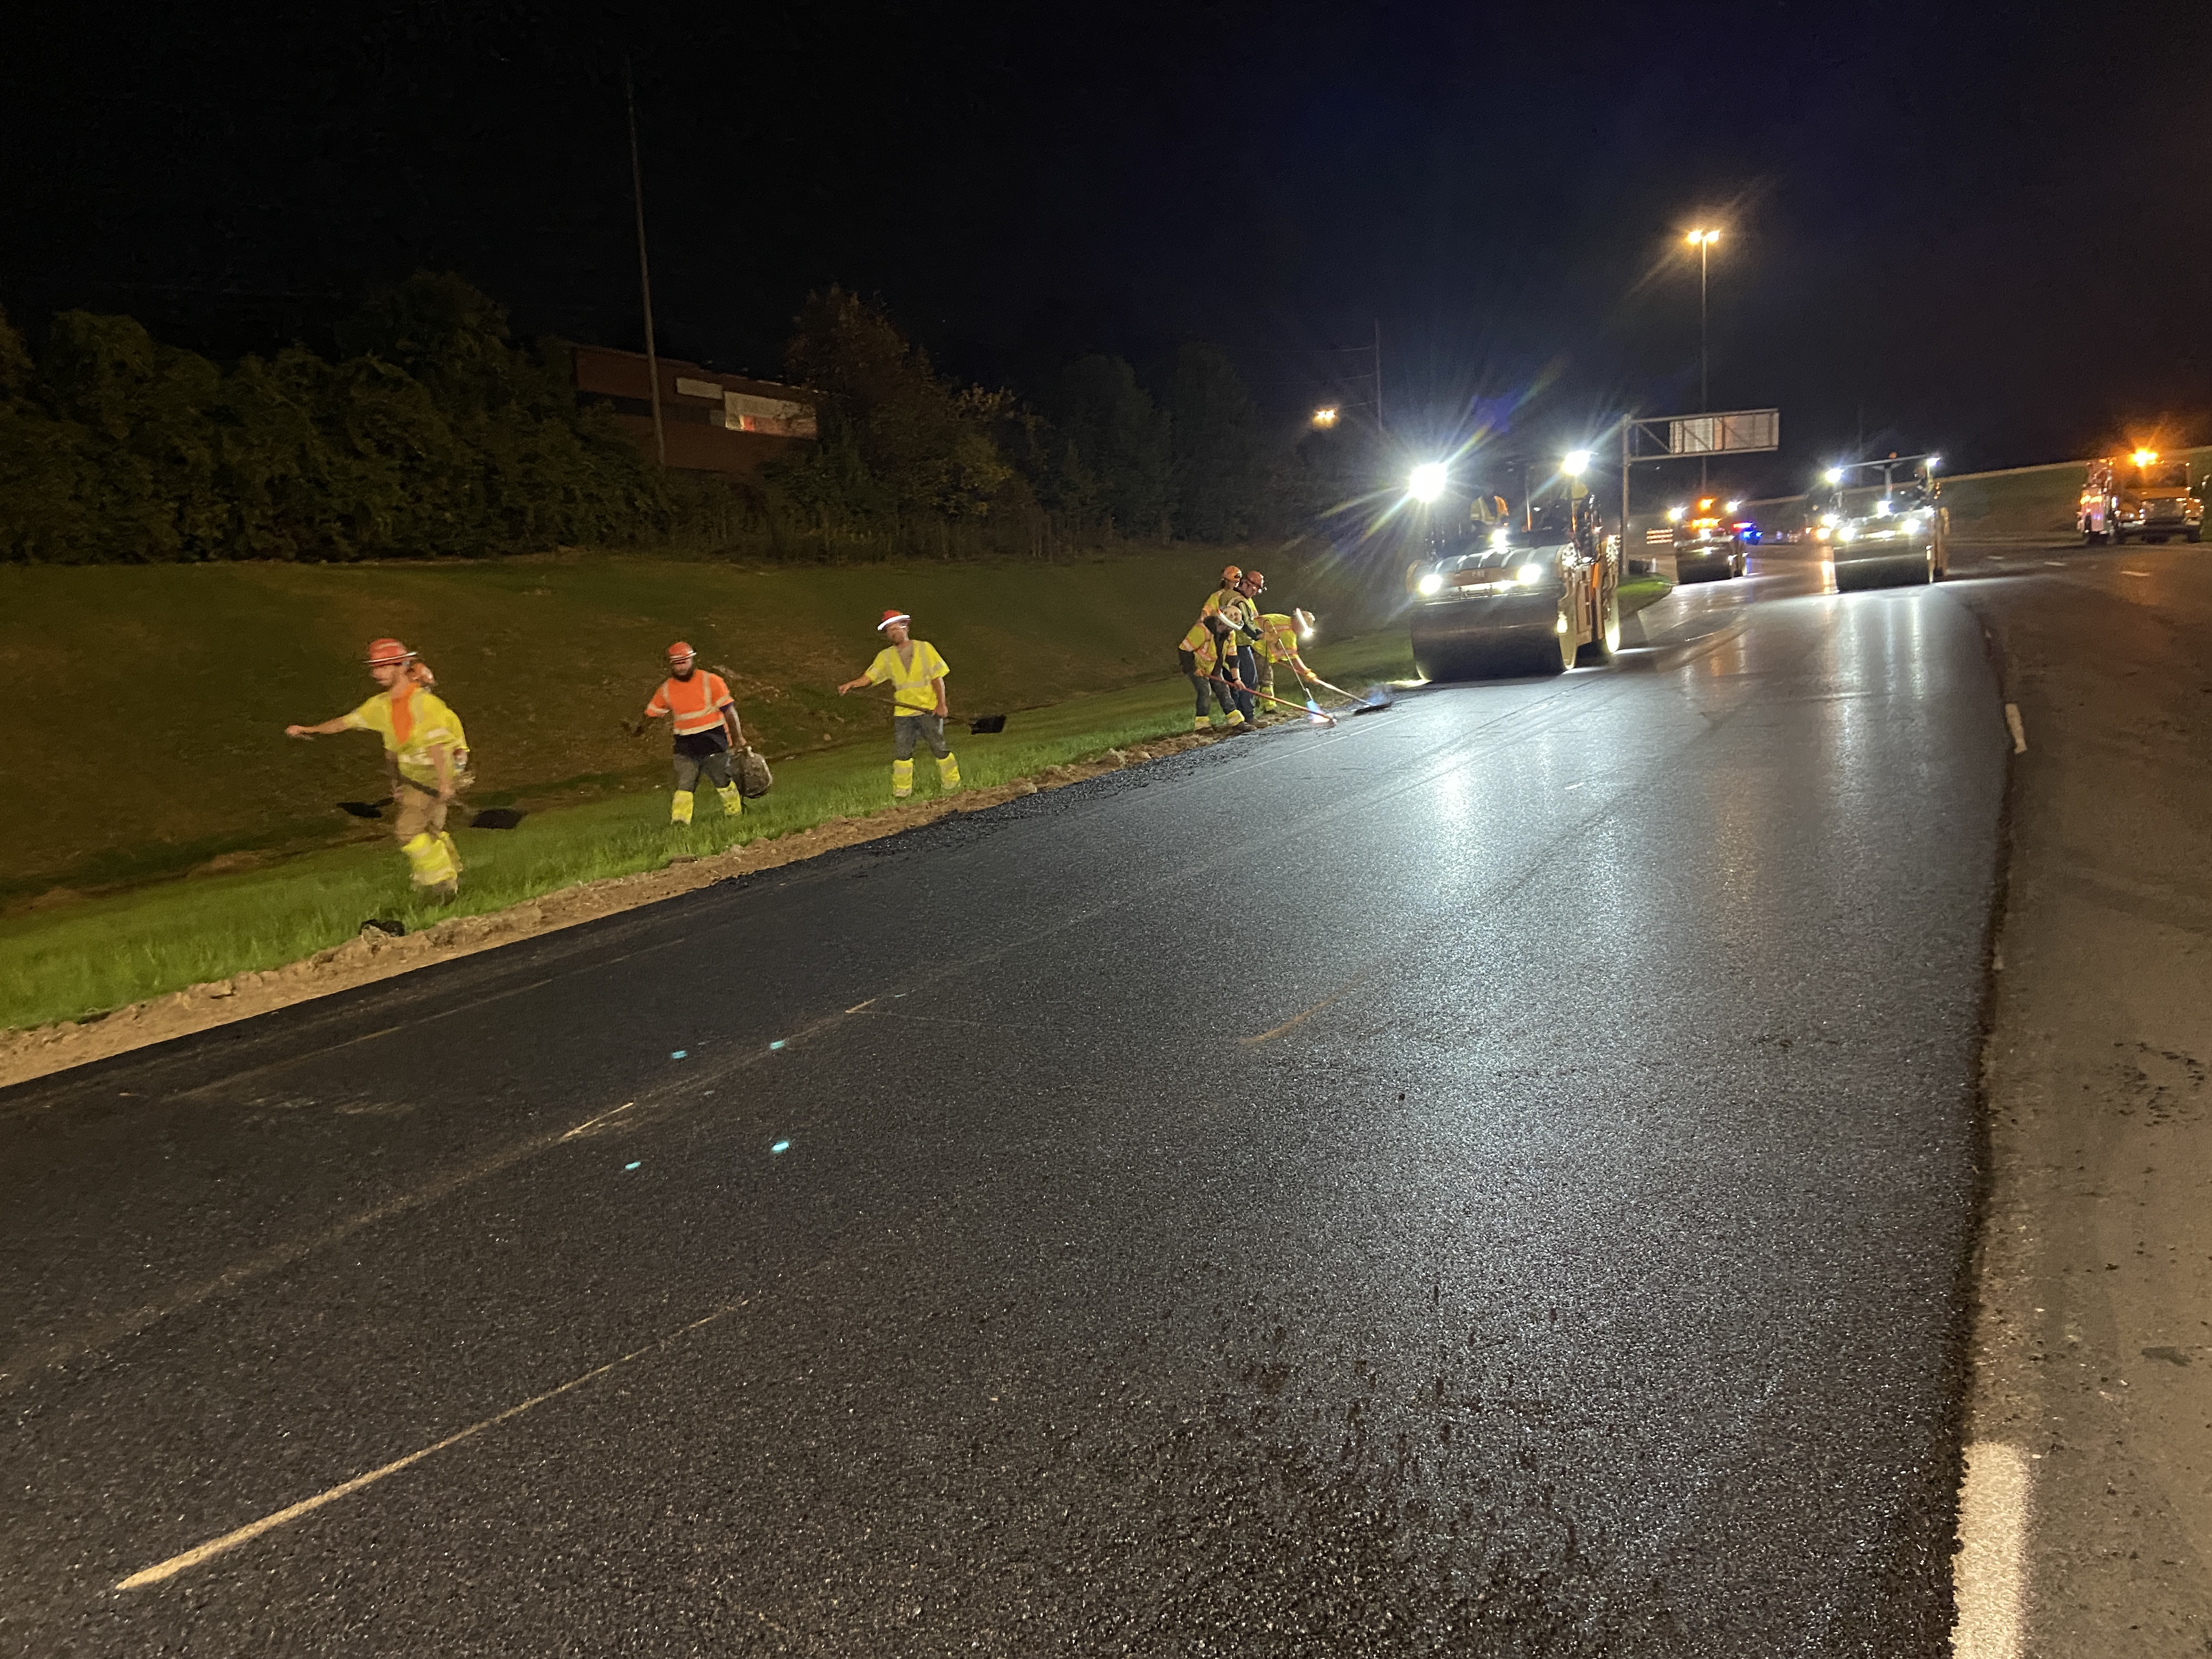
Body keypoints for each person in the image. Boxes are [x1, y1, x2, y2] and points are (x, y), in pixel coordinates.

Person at [285, 637, 467, 901]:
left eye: (382, 667)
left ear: (400, 666)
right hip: (413, 776)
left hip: (433, 773)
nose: (375, 673)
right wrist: (309, 729)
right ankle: (448, 876)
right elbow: (346, 723)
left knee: (407, 831)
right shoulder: (380, 705)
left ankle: (441, 884)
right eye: (374, 668)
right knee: (429, 829)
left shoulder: (425, 705)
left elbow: (436, 746)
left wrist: (445, 783)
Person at [837, 610, 960, 798]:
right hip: (903, 713)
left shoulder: (925, 648)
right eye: (890, 630)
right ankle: (902, 793)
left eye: (896, 628)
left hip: (928, 709)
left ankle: (952, 785)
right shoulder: (886, 656)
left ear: (906, 627)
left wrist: (941, 705)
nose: (894, 633)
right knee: (902, 754)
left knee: (939, 748)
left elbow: (937, 678)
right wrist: (851, 684)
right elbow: (869, 677)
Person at [642, 641, 745, 825]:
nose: (682, 667)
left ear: (692, 660)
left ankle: (735, 814)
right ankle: (680, 822)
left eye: (685, 662)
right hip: (685, 744)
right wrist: (638, 730)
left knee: (722, 780)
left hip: (713, 741)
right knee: (685, 782)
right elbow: (652, 714)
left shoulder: (711, 681)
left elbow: (730, 711)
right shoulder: (666, 690)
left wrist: (738, 740)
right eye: (677, 663)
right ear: (671, 665)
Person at [1177, 612, 1239, 731]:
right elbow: (1184, 650)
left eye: (1231, 627)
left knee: (1223, 690)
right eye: (1228, 626)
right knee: (1205, 691)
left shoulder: (1230, 635)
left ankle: (1237, 722)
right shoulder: (1201, 630)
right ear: (1220, 621)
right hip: (1197, 667)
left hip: (1214, 668)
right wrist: (1194, 669)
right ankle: (1202, 726)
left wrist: (1237, 679)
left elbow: (1232, 657)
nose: (1229, 629)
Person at [1255, 607, 1321, 702]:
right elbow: (1293, 658)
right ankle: (1267, 706)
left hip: (1256, 649)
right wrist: (1306, 673)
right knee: (1265, 679)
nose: (1301, 632)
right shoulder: (1286, 630)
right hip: (1256, 649)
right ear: (1298, 622)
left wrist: (1306, 672)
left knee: (1262, 678)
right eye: (1302, 628)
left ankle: (1265, 705)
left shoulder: (1283, 621)